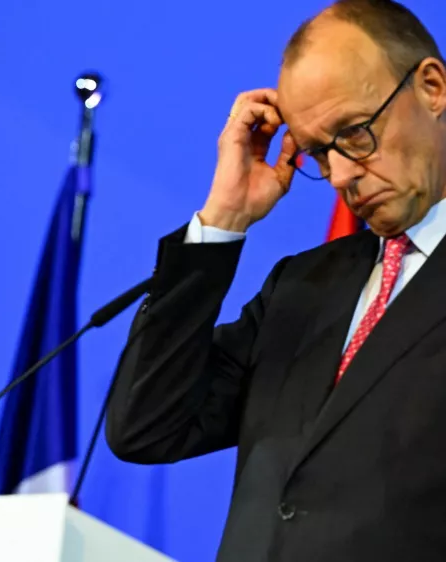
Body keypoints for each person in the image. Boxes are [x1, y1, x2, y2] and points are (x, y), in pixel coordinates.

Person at [104, 0, 446, 560]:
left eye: (356, 133)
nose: (341, 175)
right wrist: (222, 220)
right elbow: (148, 427)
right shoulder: (302, 286)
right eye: (317, 153)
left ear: (432, 87)